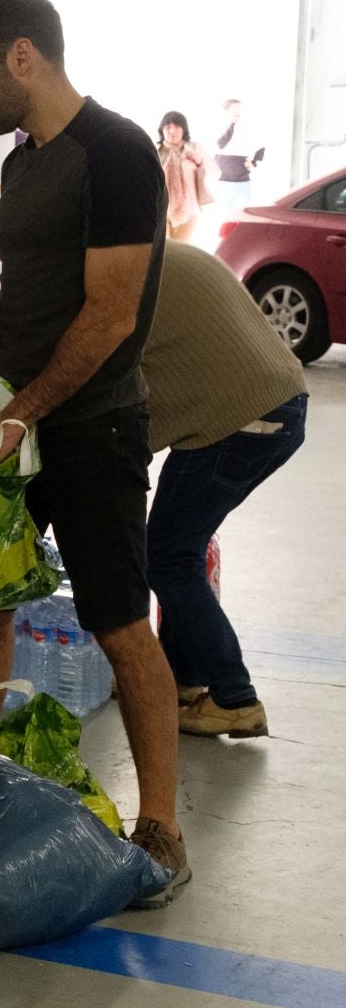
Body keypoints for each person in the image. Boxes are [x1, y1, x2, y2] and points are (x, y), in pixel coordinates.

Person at [0, 0, 188, 904]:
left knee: (119, 622)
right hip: (24, 419)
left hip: (88, 427)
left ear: (25, 58)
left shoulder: (116, 155)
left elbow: (112, 314)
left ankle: (160, 826)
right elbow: (43, 281)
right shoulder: (27, 159)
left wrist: (20, 416)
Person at [143, 241, 307, 738]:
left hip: (240, 418)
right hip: (282, 401)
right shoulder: (169, 253)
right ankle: (184, 682)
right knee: (179, 550)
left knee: (168, 558)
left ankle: (234, 697)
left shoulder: (123, 281)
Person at [156, 111, 213, 242]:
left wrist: (199, 162)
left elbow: (216, 173)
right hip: (160, 212)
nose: (172, 131)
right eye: (167, 127)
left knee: (182, 251)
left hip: (188, 211)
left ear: (184, 129)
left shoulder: (195, 148)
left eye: (176, 126)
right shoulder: (155, 150)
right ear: (162, 130)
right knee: (161, 253)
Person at [213, 98, 265, 217]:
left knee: (243, 216)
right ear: (226, 112)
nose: (238, 112)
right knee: (224, 216)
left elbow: (261, 145)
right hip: (223, 182)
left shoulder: (246, 128)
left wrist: (254, 162)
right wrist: (231, 125)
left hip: (242, 181)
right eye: (234, 109)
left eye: (239, 109)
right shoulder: (219, 128)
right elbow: (221, 144)